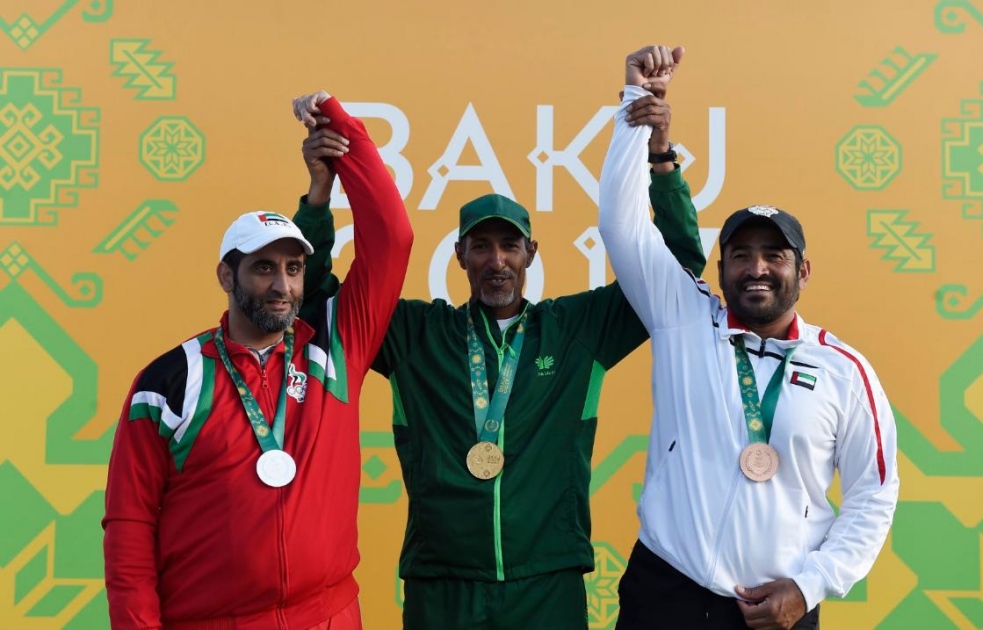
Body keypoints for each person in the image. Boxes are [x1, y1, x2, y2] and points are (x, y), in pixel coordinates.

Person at [289, 79, 706, 629]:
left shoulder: (575, 330)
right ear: (459, 254)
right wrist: (319, 196)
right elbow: (316, 302)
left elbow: (676, 273)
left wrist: (661, 159)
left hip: (547, 581)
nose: (497, 260)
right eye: (481, 246)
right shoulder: (416, 334)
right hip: (442, 584)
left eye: (510, 245)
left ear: (531, 252)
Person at [597, 46, 900, 630]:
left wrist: (811, 586)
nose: (756, 268)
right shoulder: (684, 320)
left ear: (802, 271)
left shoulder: (845, 370)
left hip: (776, 611)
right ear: (721, 270)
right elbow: (621, 224)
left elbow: (874, 494)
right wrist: (637, 105)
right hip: (665, 594)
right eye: (741, 255)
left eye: (774, 255)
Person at [102, 92, 413, 630]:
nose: (282, 286)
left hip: (328, 616)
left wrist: (340, 128)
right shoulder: (169, 382)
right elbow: (130, 525)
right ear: (228, 276)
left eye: (293, 269)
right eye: (263, 268)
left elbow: (393, 237)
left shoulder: (335, 349)